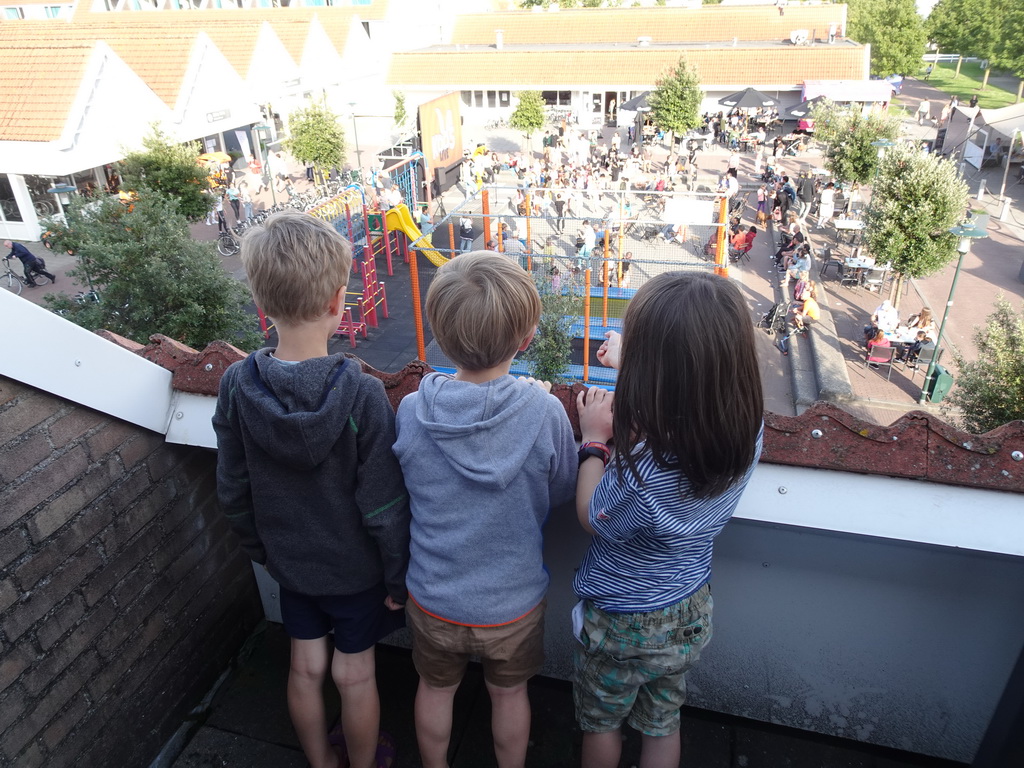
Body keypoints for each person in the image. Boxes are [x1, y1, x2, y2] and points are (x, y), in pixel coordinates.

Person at [212, 211, 410, 768]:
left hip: (290, 565)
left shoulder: (236, 385)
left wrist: (262, 552)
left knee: (304, 668)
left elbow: (232, 485)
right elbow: (384, 503)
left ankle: (320, 761)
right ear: (336, 302)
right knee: (356, 673)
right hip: (355, 572)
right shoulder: (363, 394)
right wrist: (397, 576)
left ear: (260, 303)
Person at [393, 252, 576, 768]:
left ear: (440, 333)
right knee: (509, 695)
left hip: (432, 598)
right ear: (526, 338)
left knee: (433, 689)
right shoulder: (544, 412)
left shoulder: (412, 409)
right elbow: (563, 488)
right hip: (511, 605)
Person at [573, 271, 763, 768]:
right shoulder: (747, 435)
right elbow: (681, 403)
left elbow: (594, 515)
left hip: (620, 621)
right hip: (687, 610)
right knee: (663, 723)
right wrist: (632, 364)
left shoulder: (643, 472)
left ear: (651, 373)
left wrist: (595, 442)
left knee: (602, 722)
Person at [777, 282, 820, 355]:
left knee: (797, 316)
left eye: (802, 295)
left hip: (813, 318)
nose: (801, 295)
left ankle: (801, 328)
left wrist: (796, 311)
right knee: (794, 317)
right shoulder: (808, 300)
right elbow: (803, 307)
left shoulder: (807, 303)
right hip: (811, 315)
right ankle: (798, 324)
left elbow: (803, 314)